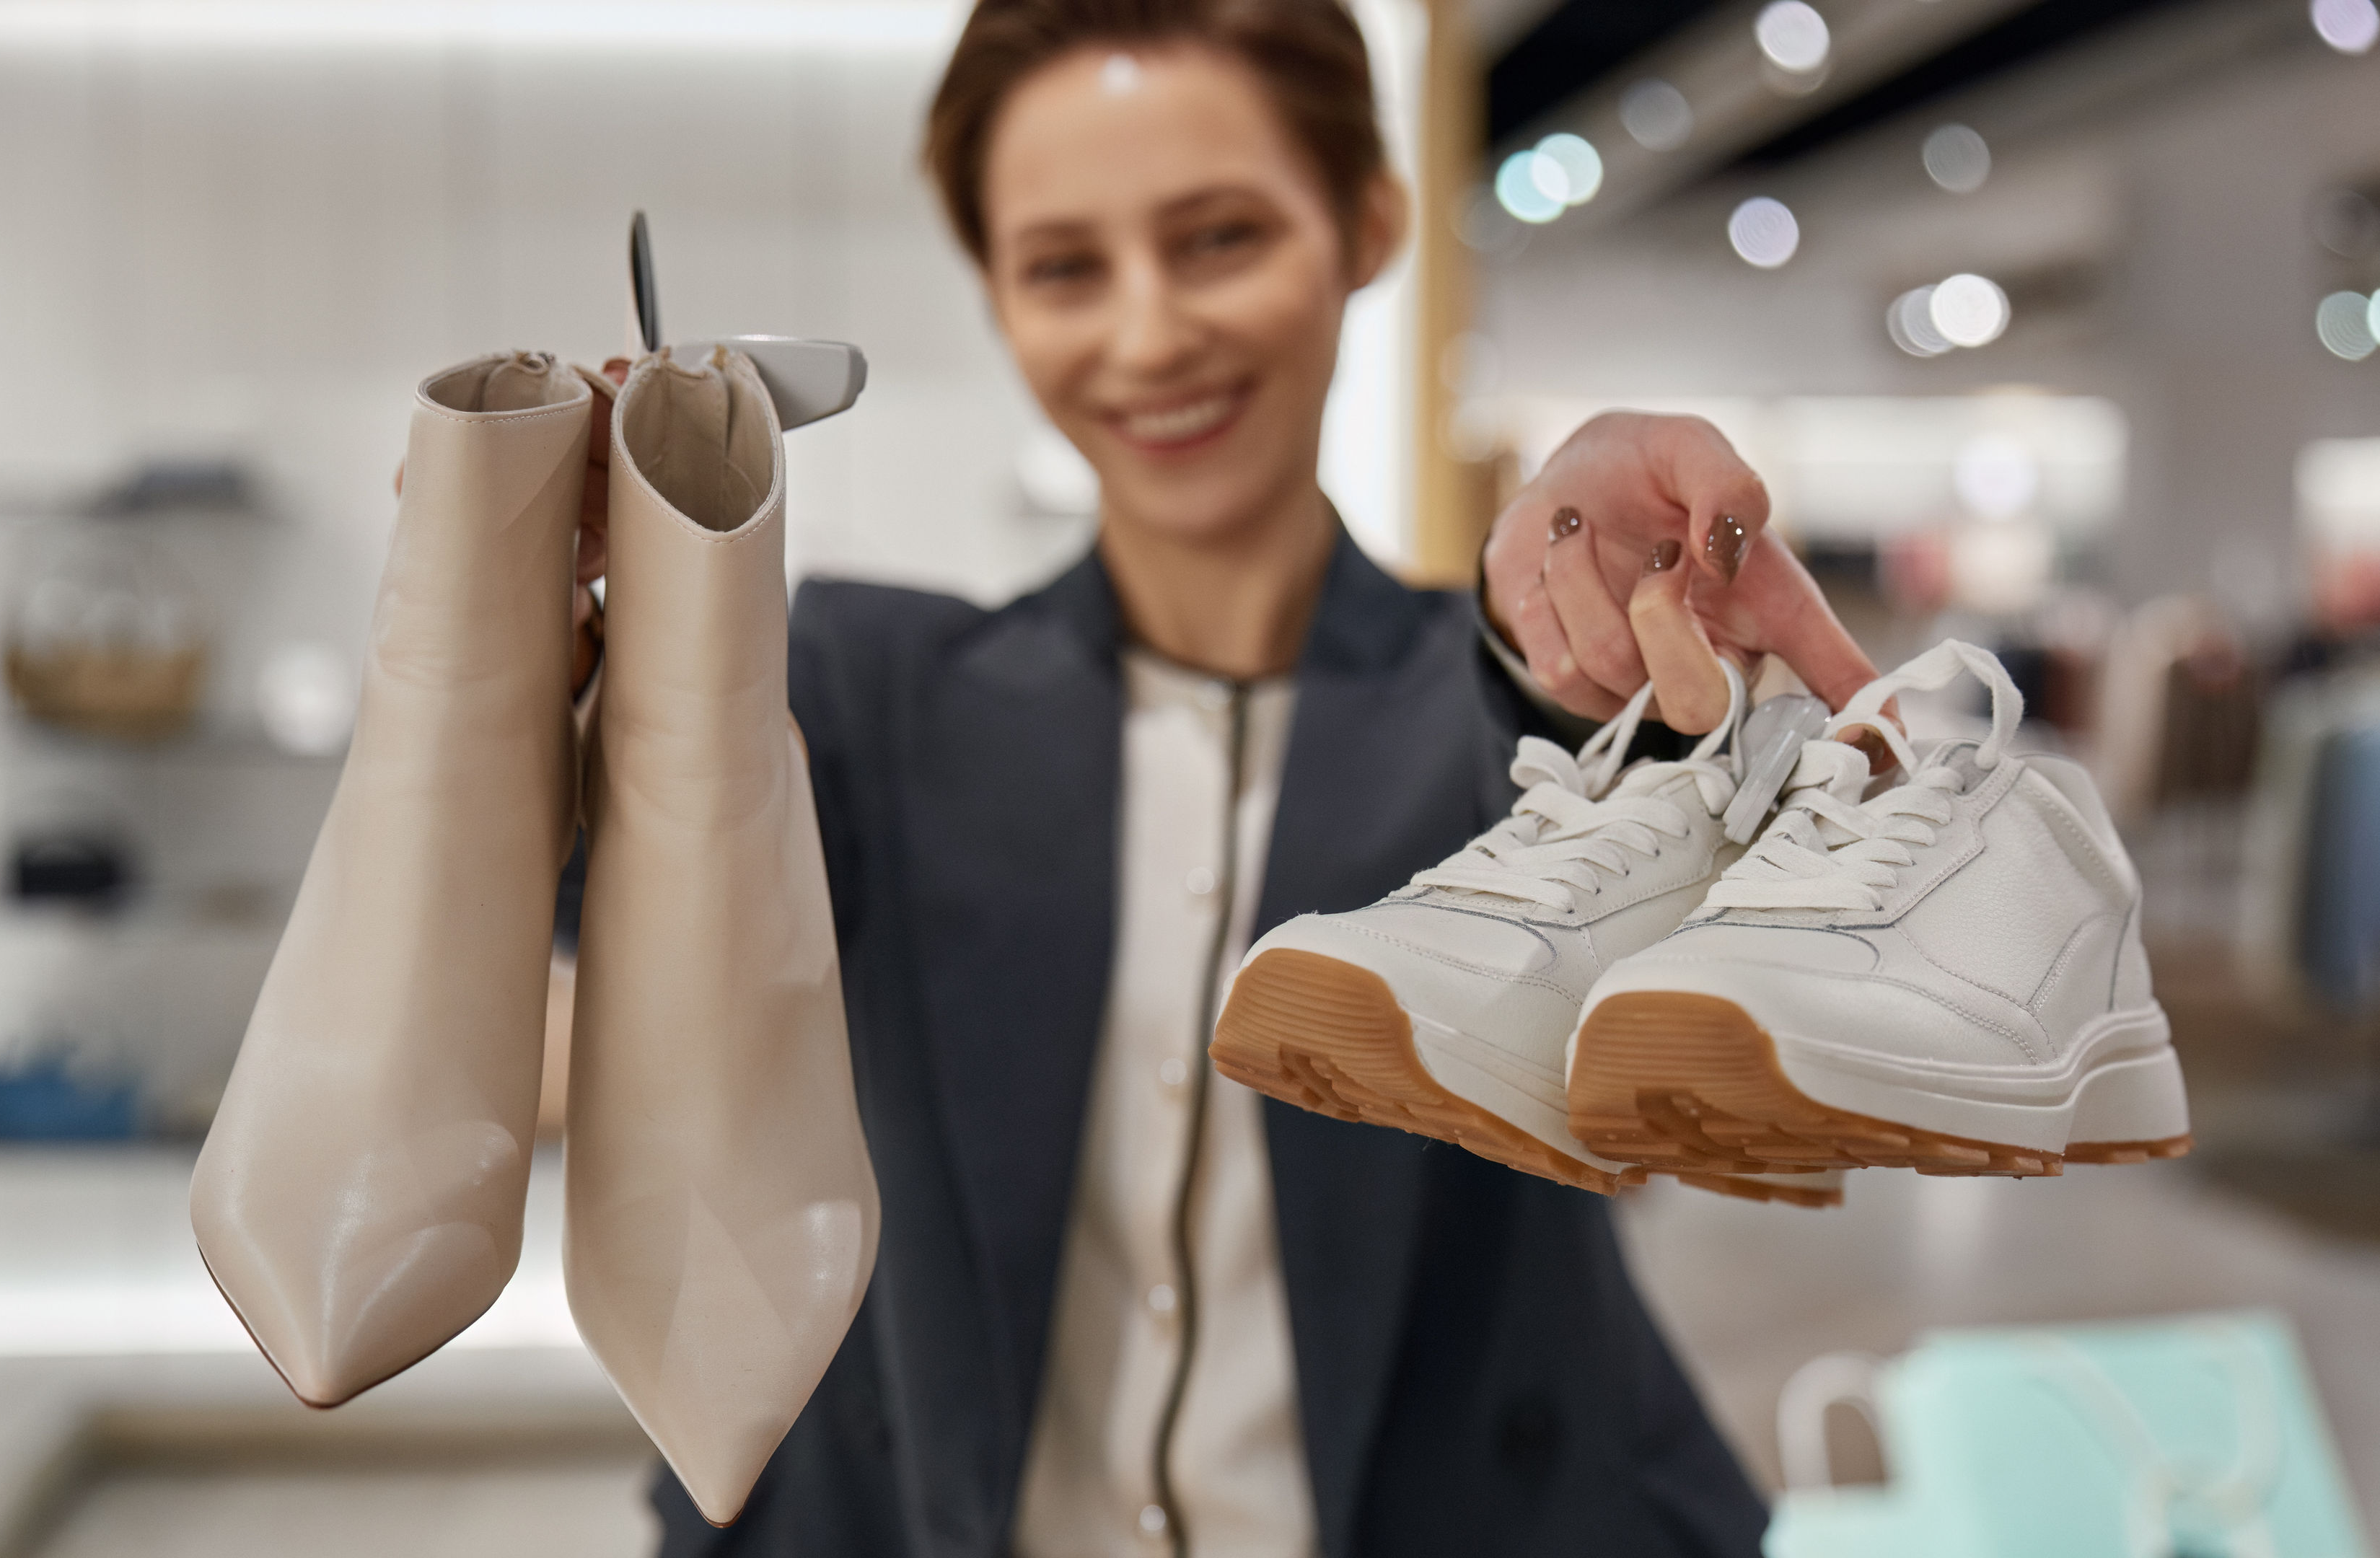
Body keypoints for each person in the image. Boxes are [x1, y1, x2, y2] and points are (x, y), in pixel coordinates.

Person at [574, 1, 1882, 1552]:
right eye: (1065, 266)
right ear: (996, 289)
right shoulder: (876, 699)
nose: (1147, 335)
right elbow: (624, 959)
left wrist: (1601, 655)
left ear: (1368, 226)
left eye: (1218, 238)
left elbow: (1632, 1069)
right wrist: (571, 670)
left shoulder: (1489, 705)